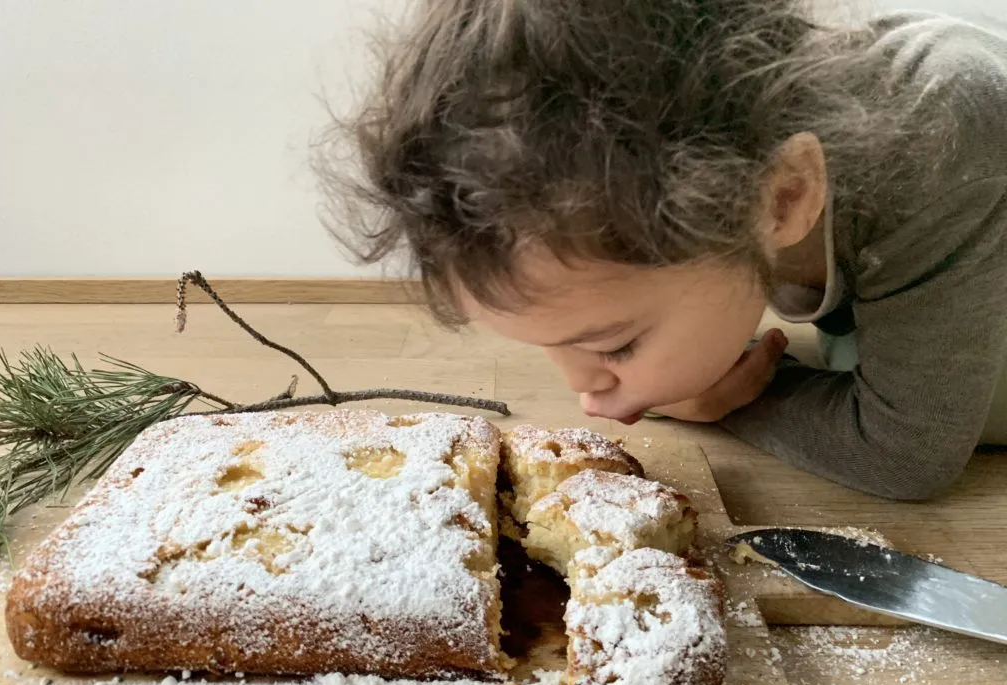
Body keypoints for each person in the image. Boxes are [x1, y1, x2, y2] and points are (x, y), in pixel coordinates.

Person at [320, 0, 1007, 501]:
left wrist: (732, 398)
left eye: (615, 347)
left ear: (784, 196)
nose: (583, 392)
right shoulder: (734, 132)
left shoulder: (942, 132)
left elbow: (906, 453)